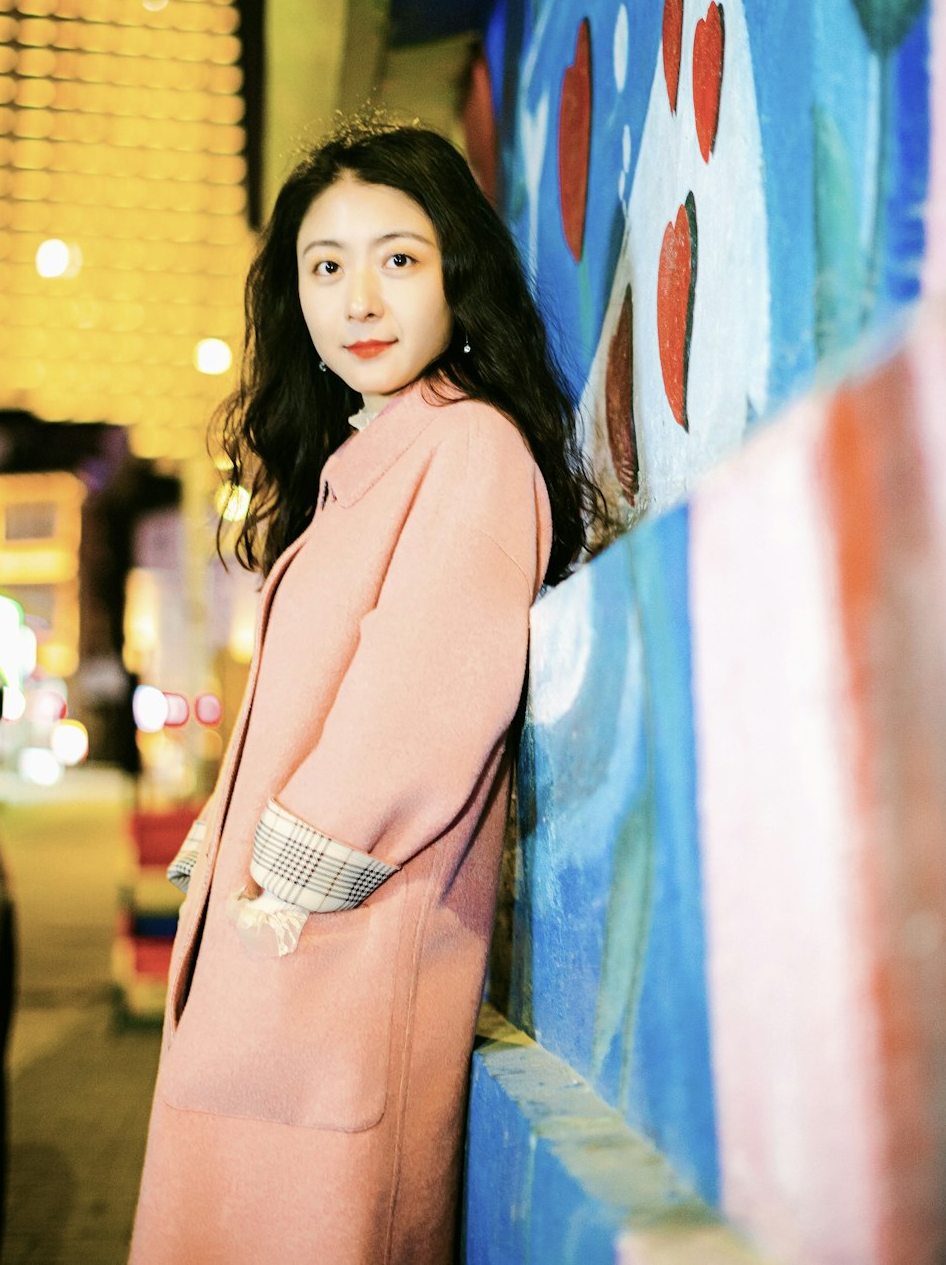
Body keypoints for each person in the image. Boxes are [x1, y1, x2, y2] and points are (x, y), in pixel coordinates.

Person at [129, 118, 601, 1265]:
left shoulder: (469, 447)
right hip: (277, 961)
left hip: (333, 961)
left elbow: (421, 699)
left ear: (456, 273)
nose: (360, 300)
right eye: (324, 267)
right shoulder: (363, 464)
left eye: (398, 257)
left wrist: (286, 864)